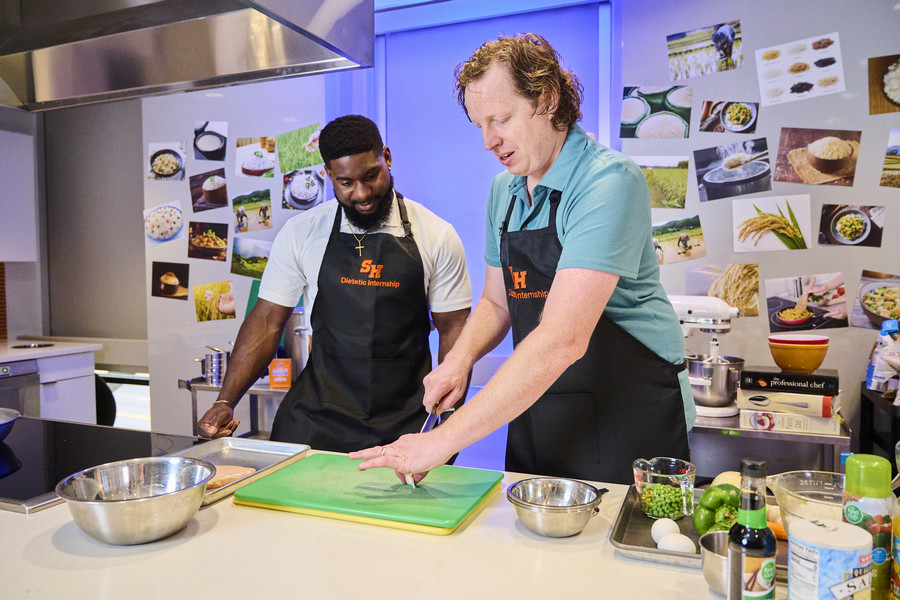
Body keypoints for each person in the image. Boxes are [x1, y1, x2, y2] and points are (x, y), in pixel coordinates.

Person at [351, 33, 694, 485]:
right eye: (479, 125)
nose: (488, 142)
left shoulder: (608, 182)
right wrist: (459, 360)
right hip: (542, 404)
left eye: (501, 119)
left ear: (547, 99)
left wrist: (441, 441)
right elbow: (498, 303)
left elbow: (562, 338)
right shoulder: (505, 191)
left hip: (628, 411)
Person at [198, 115, 472, 451]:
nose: (362, 193)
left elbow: (454, 330)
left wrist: (448, 424)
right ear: (329, 175)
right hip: (317, 417)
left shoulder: (436, 236)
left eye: (371, 176)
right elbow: (267, 320)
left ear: (386, 157)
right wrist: (225, 400)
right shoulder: (302, 232)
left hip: (407, 422)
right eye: (346, 182)